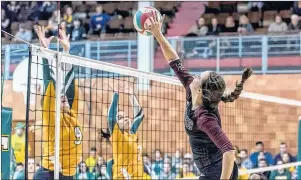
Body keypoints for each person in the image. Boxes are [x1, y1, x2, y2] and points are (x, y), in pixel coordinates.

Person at [146, 13, 252, 180]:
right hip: (210, 171)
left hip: (219, 173)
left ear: (201, 90)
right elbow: (174, 60)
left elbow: (229, 152)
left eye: (199, 77)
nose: (194, 76)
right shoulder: (191, 86)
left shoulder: (205, 119)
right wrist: (158, 34)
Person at [32, 26, 83, 179]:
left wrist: (67, 52)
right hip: (50, 172)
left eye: (64, 98)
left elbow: (70, 85)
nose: (64, 98)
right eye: (59, 98)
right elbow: (49, 82)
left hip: (68, 174)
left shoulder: (72, 114)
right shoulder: (52, 116)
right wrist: (45, 52)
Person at [99, 83, 150, 179]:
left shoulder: (131, 133)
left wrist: (131, 95)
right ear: (117, 124)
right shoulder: (117, 135)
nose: (126, 118)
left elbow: (140, 115)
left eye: (126, 116)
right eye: (121, 117)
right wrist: (116, 95)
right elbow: (111, 118)